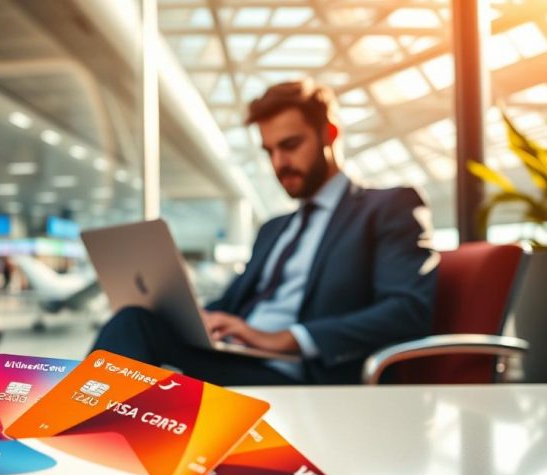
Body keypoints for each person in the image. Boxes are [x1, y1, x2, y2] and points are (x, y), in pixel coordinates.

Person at [92, 79, 439, 386]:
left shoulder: (388, 208)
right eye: (269, 151)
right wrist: (195, 316)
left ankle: (64, 435)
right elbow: (231, 305)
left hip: (304, 374)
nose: (278, 163)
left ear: (329, 134)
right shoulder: (275, 229)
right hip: (239, 358)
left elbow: (407, 310)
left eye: (290, 146)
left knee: (133, 328)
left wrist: (289, 338)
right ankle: (72, 435)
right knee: (137, 321)